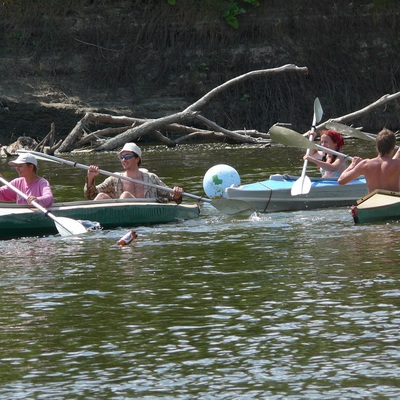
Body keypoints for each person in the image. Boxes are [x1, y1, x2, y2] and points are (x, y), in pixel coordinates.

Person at [84, 142, 184, 203]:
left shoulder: (151, 178)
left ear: (137, 159)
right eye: (122, 157)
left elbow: (171, 197)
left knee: (125, 195)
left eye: (127, 157)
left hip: (145, 214)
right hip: (121, 218)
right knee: (101, 196)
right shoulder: (114, 179)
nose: (124, 160)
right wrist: (90, 178)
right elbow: (91, 196)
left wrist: (176, 195)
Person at [338, 128, 400, 192]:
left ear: (377, 146)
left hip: (373, 200)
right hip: (393, 200)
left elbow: (341, 181)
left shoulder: (365, 164)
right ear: (393, 147)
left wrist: (353, 164)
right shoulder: (398, 164)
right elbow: (390, 165)